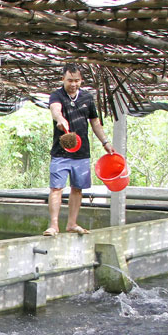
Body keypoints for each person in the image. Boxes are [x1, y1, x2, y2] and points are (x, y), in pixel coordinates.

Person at [43, 63, 116, 236]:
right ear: (63, 79)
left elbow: (95, 122)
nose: (73, 84)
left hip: (82, 153)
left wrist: (106, 143)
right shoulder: (57, 95)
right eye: (70, 80)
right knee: (56, 188)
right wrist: (60, 119)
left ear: (81, 80)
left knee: (77, 188)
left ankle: (72, 223)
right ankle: (54, 226)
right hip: (60, 152)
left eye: (76, 81)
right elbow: (55, 110)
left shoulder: (87, 98)